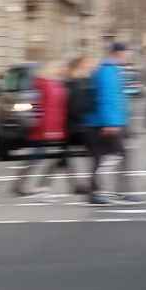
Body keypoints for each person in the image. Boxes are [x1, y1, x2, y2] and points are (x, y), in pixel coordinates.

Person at [86, 42, 135, 204]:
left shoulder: (110, 69)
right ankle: (107, 192)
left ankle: (101, 192)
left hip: (107, 121)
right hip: (105, 123)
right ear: (118, 53)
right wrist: (111, 123)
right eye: (127, 52)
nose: (129, 55)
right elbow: (107, 98)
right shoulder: (107, 70)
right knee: (118, 156)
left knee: (104, 157)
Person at [14, 61, 68, 196]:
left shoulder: (55, 83)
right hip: (42, 129)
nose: (61, 69)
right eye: (58, 67)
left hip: (54, 128)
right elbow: (34, 106)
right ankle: (22, 185)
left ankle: (39, 185)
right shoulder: (40, 84)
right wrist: (39, 124)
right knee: (36, 157)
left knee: (54, 157)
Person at [62, 56, 96, 193]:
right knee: (93, 154)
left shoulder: (81, 81)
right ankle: (85, 185)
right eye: (87, 64)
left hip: (75, 124)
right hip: (77, 125)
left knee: (65, 157)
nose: (90, 66)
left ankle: (80, 185)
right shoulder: (76, 82)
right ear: (80, 66)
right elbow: (75, 105)